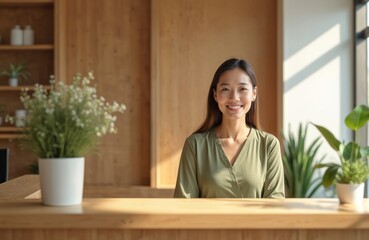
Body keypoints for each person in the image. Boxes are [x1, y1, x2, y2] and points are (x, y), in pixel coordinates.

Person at [173, 58, 285, 198]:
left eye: (243, 89)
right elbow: (184, 206)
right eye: (225, 89)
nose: (234, 97)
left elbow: (275, 205)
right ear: (215, 94)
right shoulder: (195, 145)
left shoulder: (269, 145)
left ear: (254, 94)